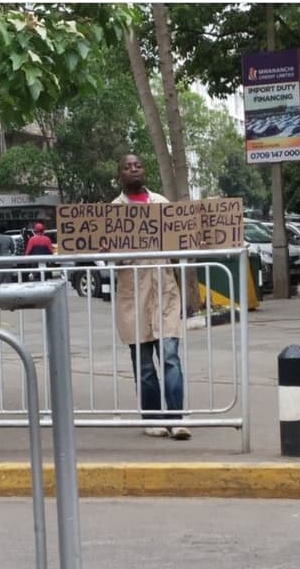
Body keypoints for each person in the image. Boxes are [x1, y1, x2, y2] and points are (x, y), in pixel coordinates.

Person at [111, 153, 191, 440]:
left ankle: (177, 419)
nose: (133, 169)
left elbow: (182, 247)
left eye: (138, 165)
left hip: (165, 295)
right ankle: (153, 418)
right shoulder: (114, 212)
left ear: (144, 170)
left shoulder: (161, 205)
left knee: (170, 357)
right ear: (120, 174)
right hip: (134, 299)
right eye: (127, 166)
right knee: (144, 365)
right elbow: (105, 257)